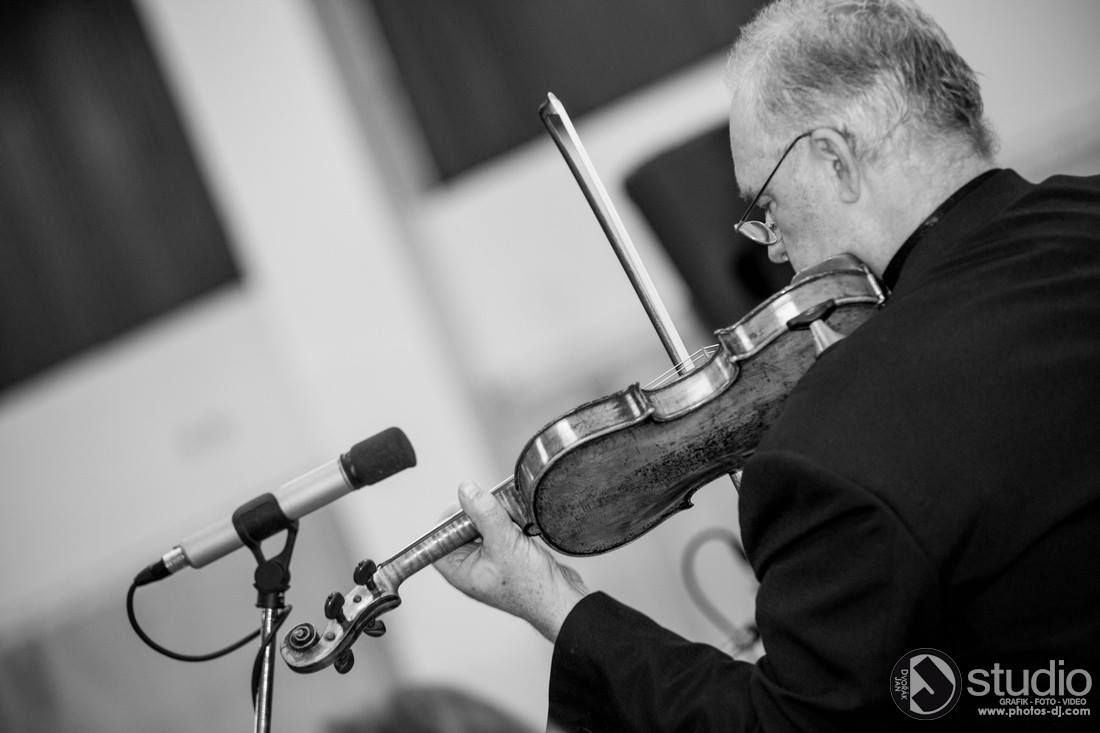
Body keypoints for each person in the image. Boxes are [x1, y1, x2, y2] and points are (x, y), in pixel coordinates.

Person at [435, 0, 1100, 729]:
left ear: (836, 159)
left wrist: (559, 607)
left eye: (770, 207)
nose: (774, 248)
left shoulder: (836, 441)